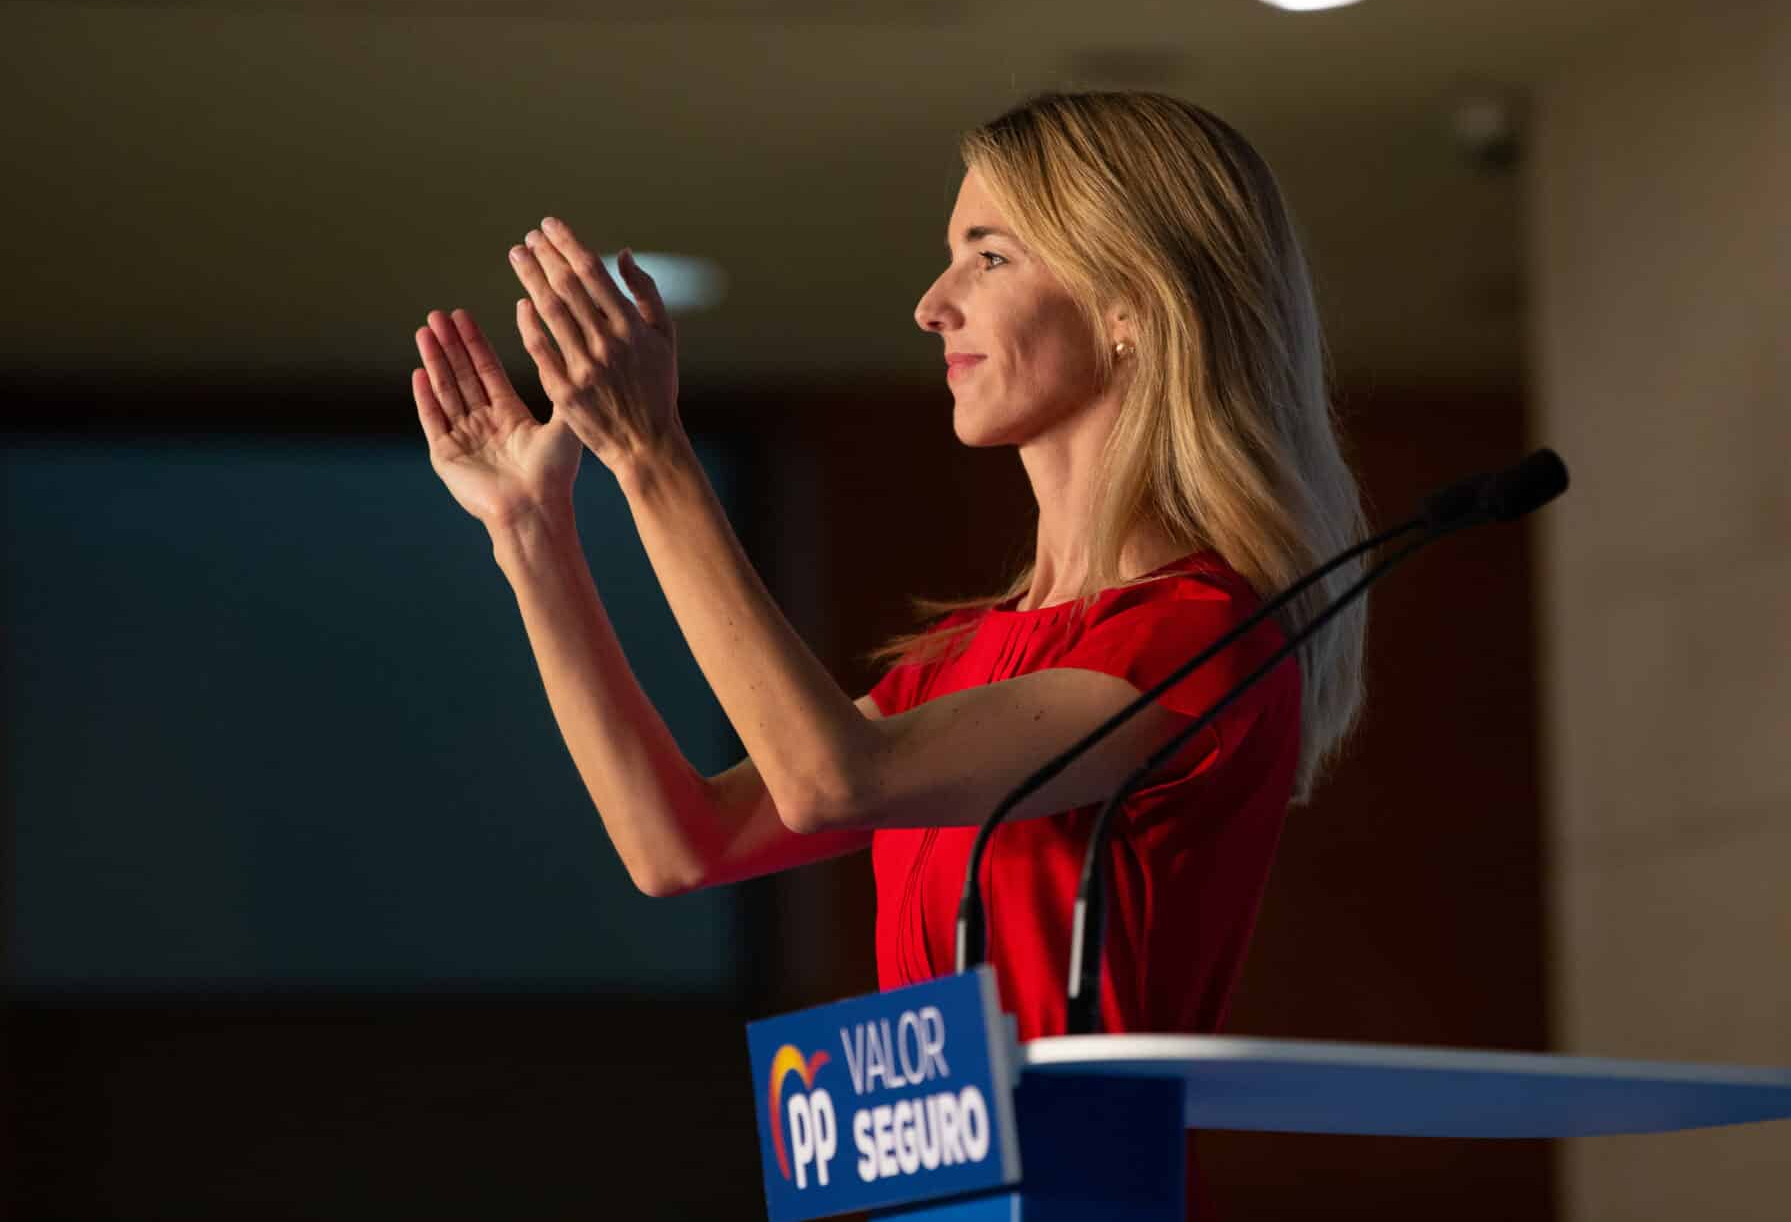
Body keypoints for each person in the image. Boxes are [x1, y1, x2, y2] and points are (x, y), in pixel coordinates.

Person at [407, 89, 1367, 1046]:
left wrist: (654, 457)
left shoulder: (1195, 634)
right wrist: (531, 533)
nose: (931, 306)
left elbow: (834, 781)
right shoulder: (969, 654)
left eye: (988, 257)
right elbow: (680, 844)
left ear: (1132, 306)